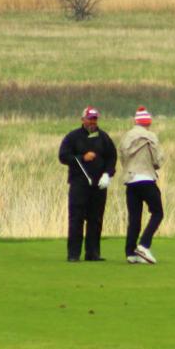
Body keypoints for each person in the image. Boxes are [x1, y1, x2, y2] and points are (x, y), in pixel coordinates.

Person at [59, 106, 117, 262]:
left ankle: (92, 254)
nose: (92, 121)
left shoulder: (104, 137)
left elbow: (112, 157)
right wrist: (82, 157)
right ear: (83, 119)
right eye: (90, 118)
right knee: (76, 218)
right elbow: (63, 156)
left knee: (95, 219)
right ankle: (73, 254)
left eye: (95, 119)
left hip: (99, 185)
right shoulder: (73, 137)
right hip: (79, 184)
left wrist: (108, 174)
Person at [119, 106, 164, 265]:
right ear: (148, 122)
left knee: (134, 218)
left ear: (135, 121)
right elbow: (158, 161)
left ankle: (130, 253)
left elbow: (123, 158)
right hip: (146, 179)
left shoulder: (127, 136)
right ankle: (144, 245)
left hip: (131, 181)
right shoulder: (151, 136)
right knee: (158, 212)